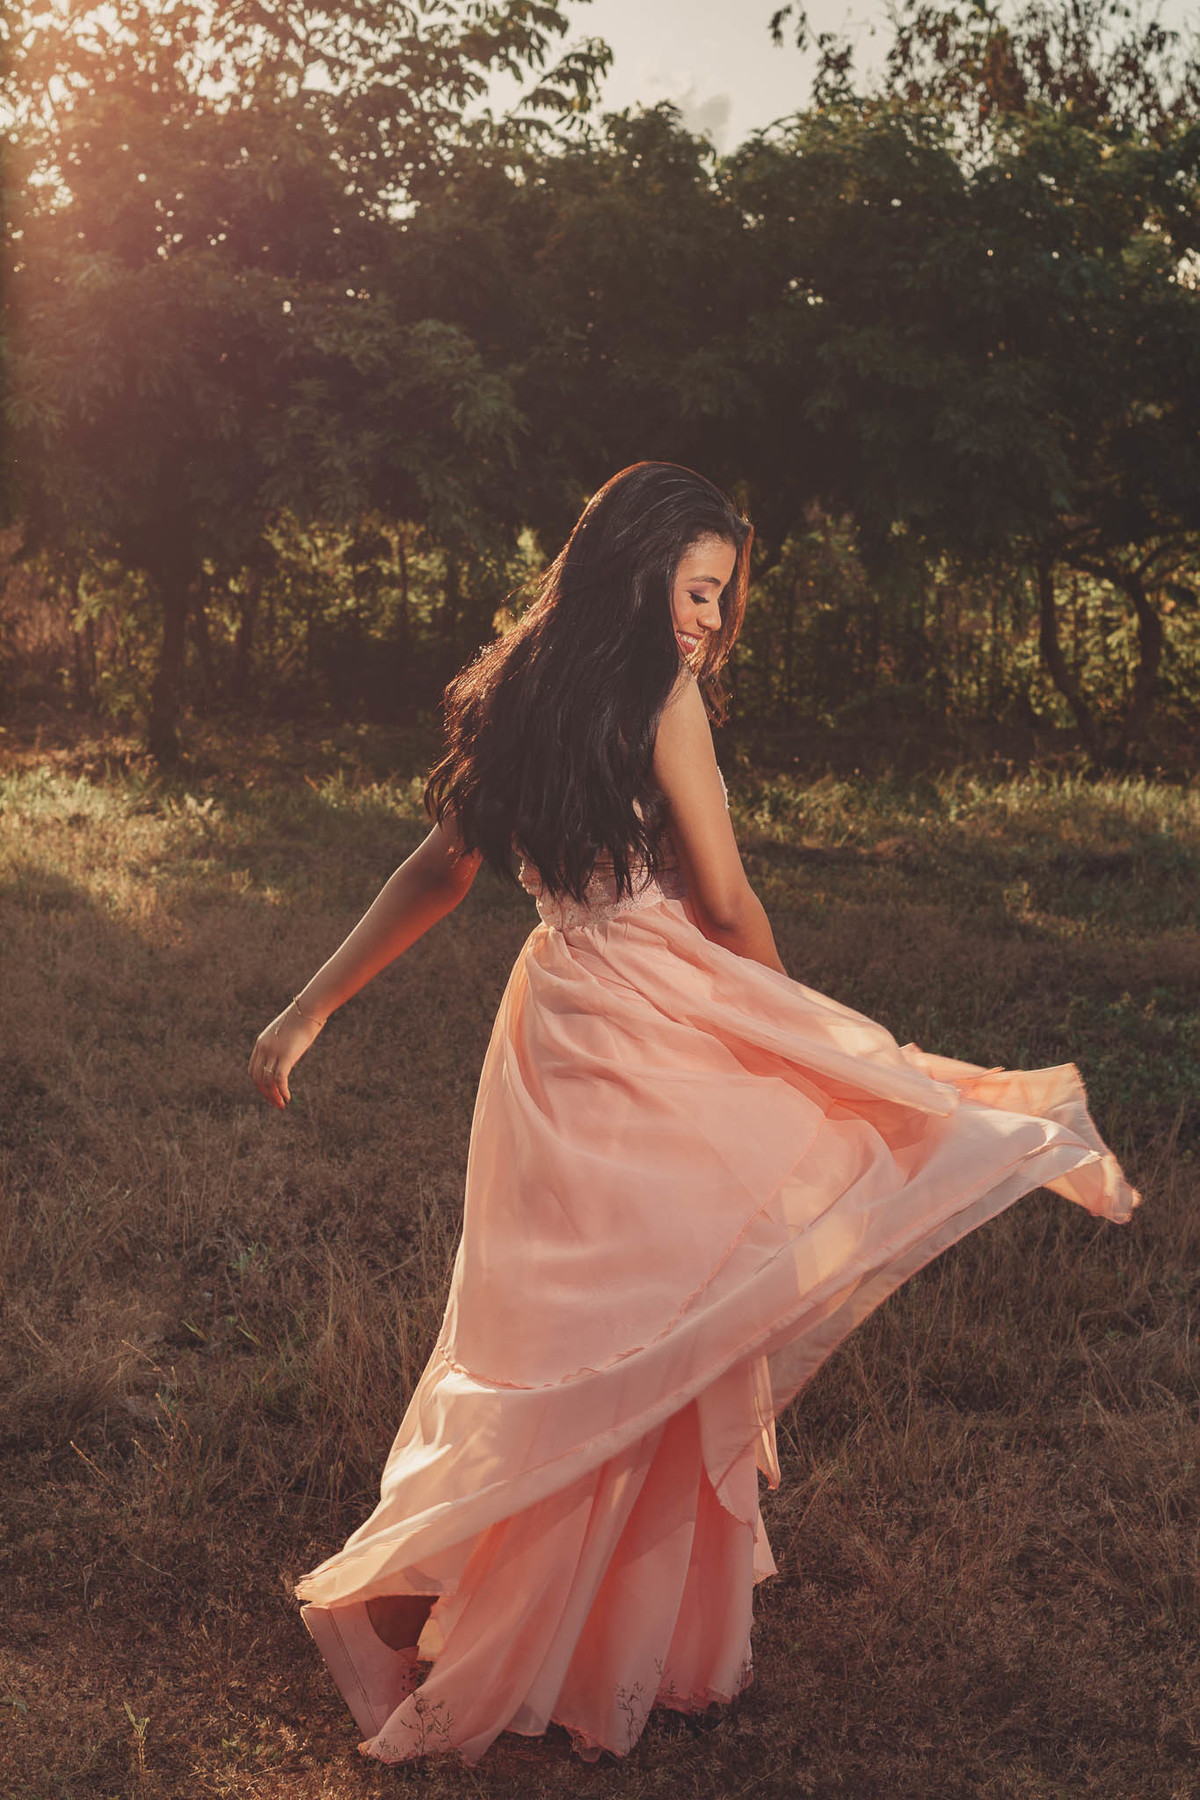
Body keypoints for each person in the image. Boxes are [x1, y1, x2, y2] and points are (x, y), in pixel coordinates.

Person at [248, 460, 1140, 1769]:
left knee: (595, 1325)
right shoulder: (659, 697)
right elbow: (719, 897)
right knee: (663, 1318)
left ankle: (560, 1618)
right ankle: (465, 1591)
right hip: (652, 1009)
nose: (712, 621)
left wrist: (311, 1008)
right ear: (638, 559)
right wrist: (813, 1033)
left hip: (556, 1013)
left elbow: (445, 865)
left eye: (727, 600)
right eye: (701, 586)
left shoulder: (514, 691)